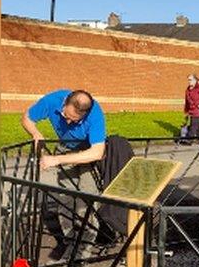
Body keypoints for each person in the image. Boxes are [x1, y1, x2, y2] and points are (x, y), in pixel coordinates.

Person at [22, 89, 132, 258]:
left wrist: (56, 160)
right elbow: (27, 118)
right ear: (65, 103)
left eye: (74, 120)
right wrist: (36, 133)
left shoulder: (95, 114)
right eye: (66, 115)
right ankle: (70, 241)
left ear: (85, 115)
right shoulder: (52, 100)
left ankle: (83, 249)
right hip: (65, 148)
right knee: (66, 197)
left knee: (85, 199)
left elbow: (96, 152)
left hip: (87, 153)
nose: (67, 121)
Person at [182, 74, 199, 142]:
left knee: (193, 125)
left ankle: (189, 140)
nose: (189, 81)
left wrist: (196, 103)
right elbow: (187, 100)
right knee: (198, 124)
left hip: (198, 109)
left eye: (190, 80)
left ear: (195, 80)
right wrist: (186, 110)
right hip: (191, 109)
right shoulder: (188, 89)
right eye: (188, 80)